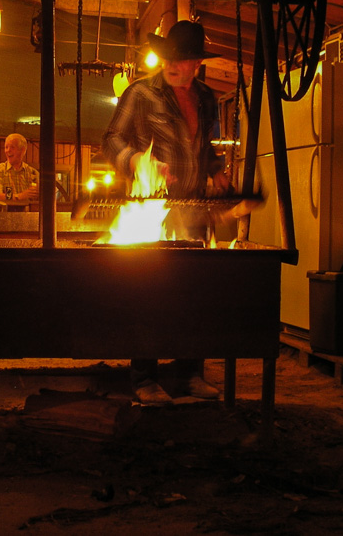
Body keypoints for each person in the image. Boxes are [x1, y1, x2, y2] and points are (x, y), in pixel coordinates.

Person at [101, 20, 231, 404]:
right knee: (150, 293)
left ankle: (190, 374)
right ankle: (144, 378)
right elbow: (110, 139)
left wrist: (217, 170)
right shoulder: (141, 93)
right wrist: (137, 160)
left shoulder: (207, 99)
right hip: (150, 208)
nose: (174, 65)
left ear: (196, 63)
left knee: (194, 293)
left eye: (183, 59)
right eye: (170, 57)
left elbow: (204, 147)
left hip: (194, 209)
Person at [0, 133, 39, 205]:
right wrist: (19, 196)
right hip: (5, 214)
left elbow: (42, 197)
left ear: (23, 150)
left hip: (28, 214)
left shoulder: (32, 172)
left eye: (12, 147)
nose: (8, 150)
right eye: (6, 147)